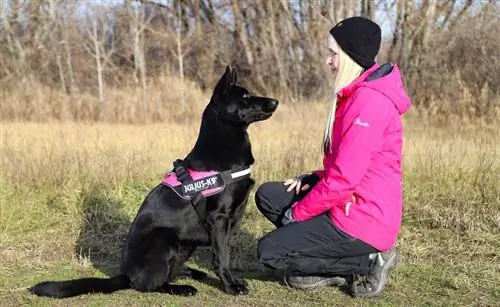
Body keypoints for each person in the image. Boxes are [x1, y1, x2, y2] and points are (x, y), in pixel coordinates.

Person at [255, 16, 411, 298]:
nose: (328, 61)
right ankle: (319, 259)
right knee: (269, 195)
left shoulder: (369, 103)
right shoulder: (353, 94)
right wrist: (314, 177)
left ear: (350, 57)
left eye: (333, 54)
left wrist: (297, 214)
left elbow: (345, 179)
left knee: (269, 252)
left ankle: (366, 261)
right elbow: (350, 166)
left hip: (363, 216)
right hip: (348, 200)